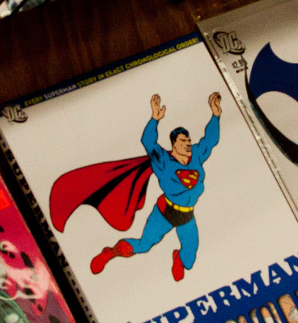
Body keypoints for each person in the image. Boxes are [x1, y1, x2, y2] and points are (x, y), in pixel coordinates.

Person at [84, 92, 222, 283]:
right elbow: (148, 142)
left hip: (186, 215)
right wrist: (154, 119)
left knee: (190, 259)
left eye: (189, 141)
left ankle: (178, 258)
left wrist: (216, 115)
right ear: (174, 144)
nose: (188, 144)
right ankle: (111, 252)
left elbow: (210, 140)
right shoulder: (163, 160)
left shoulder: (196, 156)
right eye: (183, 141)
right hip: (165, 211)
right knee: (144, 245)